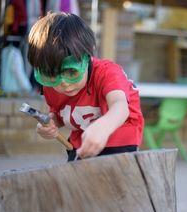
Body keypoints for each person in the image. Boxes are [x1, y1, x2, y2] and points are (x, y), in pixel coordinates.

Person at [27, 12, 144, 161]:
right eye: (50, 75)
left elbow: (120, 107)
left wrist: (103, 127)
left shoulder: (107, 73)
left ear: (88, 55)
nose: (63, 83)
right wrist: (50, 123)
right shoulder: (52, 86)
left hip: (120, 135)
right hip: (81, 137)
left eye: (71, 72)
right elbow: (60, 114)